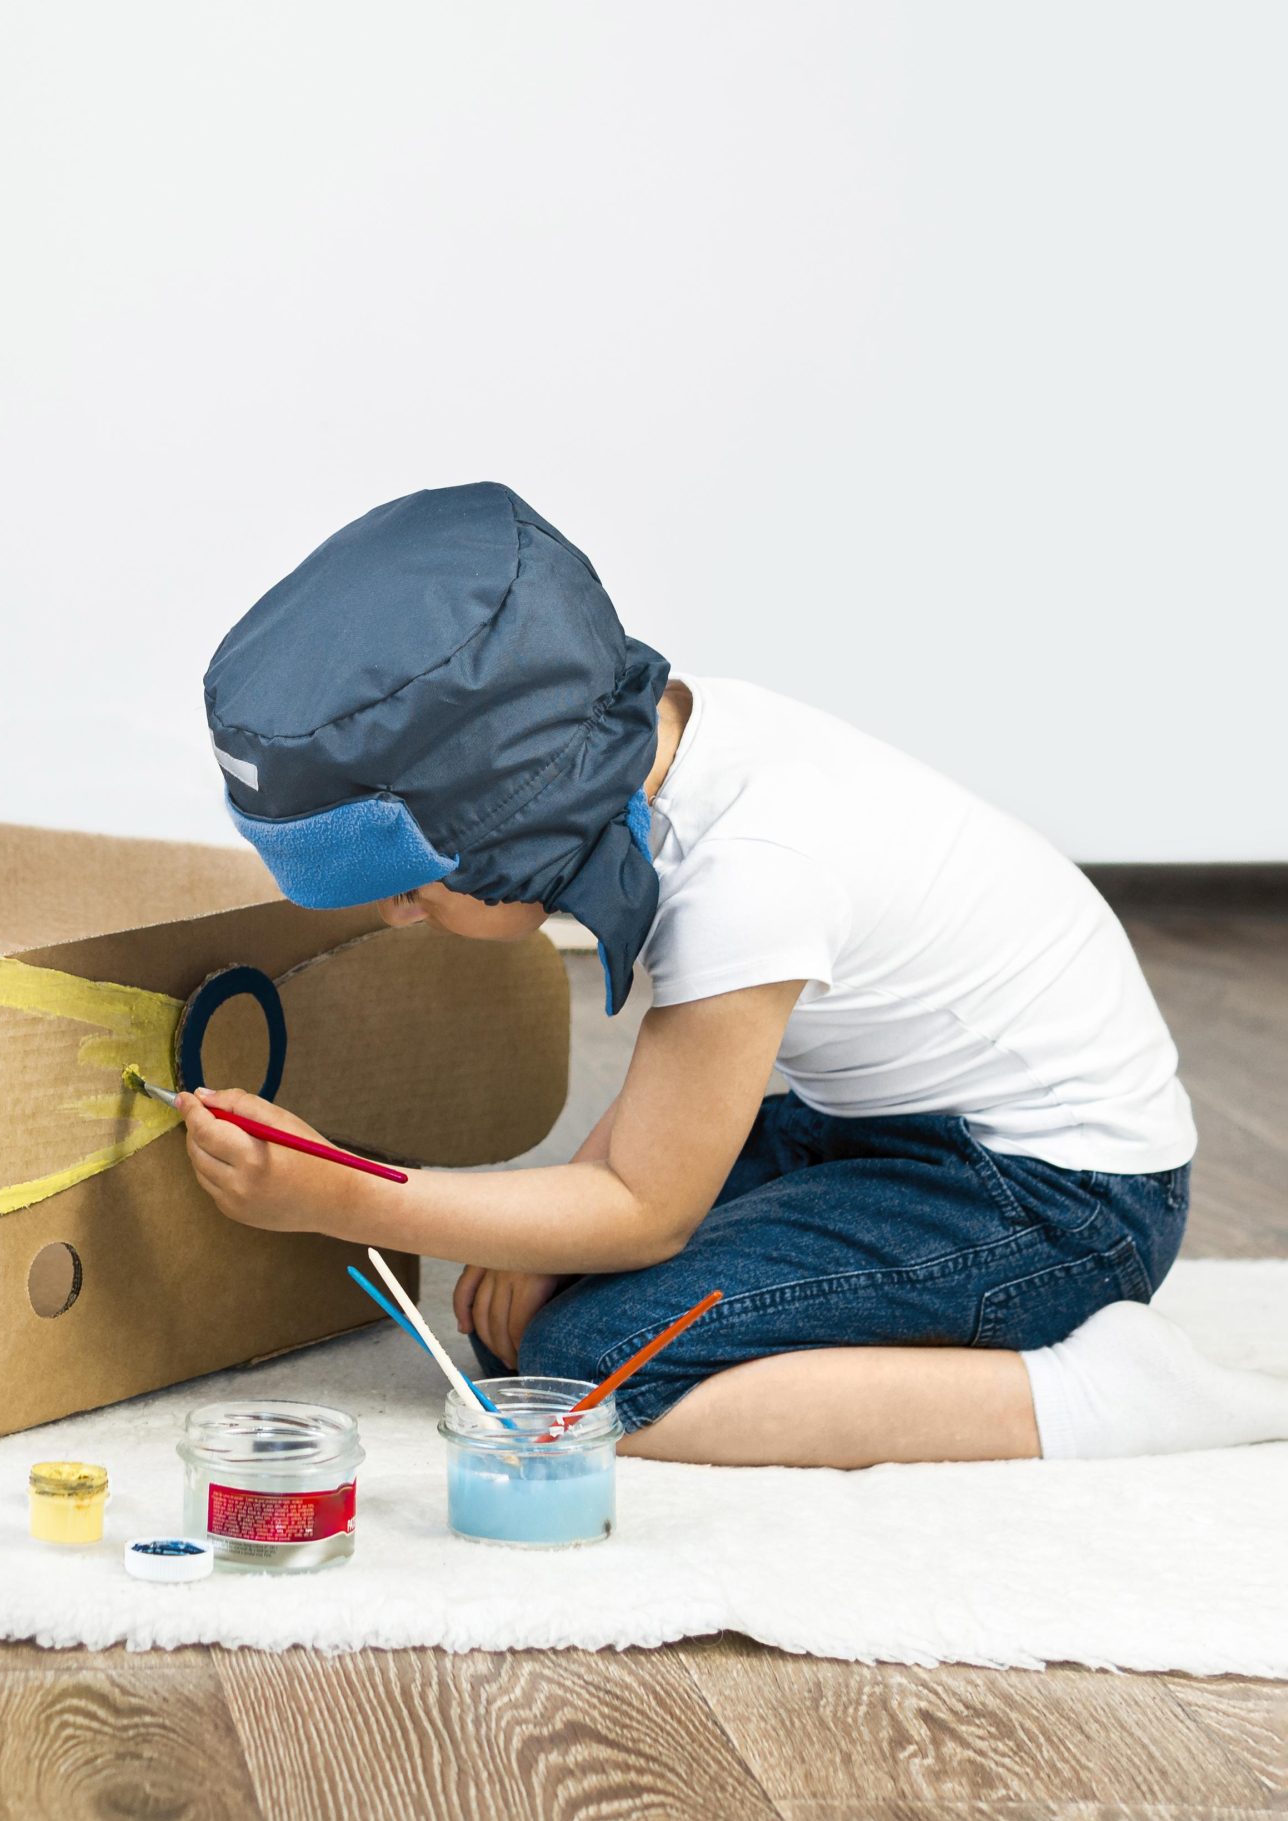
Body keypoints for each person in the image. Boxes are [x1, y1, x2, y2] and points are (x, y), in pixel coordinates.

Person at [184, 482, 1288, 1467]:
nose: (399, 914)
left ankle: (1092, 1398)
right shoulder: (677, 751)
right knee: (522, 1288)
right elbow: (673, 1088)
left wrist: (341, 1200)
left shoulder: (749, 873)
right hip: (900, 1132)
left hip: (1063, 1202)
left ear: (518, 829)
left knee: (598, 1373)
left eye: (415, 889)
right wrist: (532, 1217)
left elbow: (645, 1212)